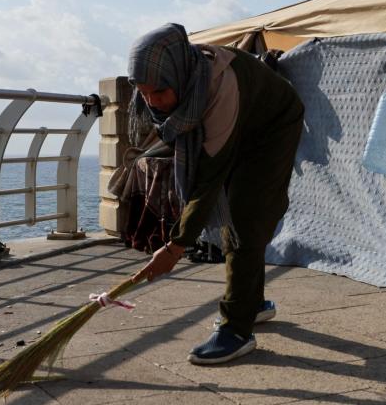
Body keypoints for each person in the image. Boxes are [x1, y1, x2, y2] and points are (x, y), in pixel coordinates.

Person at [128, 23, 304, 364]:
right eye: (144, 93)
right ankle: (250, 303)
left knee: (244, 217)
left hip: (272, 127)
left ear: (177, 76)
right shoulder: (174, 79)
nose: (153, 103)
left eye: (159, 92)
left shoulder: (219, 87)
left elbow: (207, 183)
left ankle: (237, 329)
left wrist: (175, 247)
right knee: (238, 217)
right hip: (241, 125)